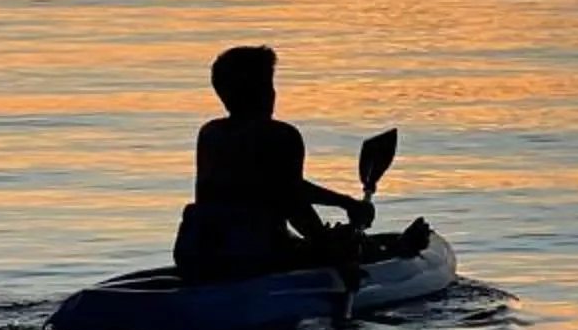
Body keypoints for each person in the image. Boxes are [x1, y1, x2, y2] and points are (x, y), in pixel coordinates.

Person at [173, 46, 413, 281]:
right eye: (270, 85)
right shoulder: (282, 136)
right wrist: (334, 254)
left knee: (327, 238)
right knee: (346, 242)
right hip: (257, 255)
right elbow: (292, 201)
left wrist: (345, 203)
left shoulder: (210, 134)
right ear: (265, 92)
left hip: (196, 253)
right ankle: (399, 251)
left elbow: (276, 185)